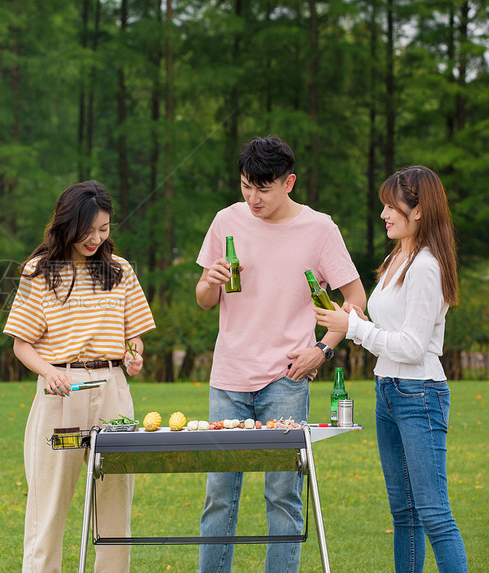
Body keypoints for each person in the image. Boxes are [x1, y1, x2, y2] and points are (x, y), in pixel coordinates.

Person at [194, 135, 366, 573]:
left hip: (286, 380)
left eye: (263, 188)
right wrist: (210, 281)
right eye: (245, 186)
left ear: (289, 182)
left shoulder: (320, 228)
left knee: (283, 495)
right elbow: (204, 300)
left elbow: (356, 300)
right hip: (228, 376)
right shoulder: (225, 220)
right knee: (219, 495)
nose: (252, 198)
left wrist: (322, 350)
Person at [315, 166, 468, 572]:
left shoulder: (426, 267)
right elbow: (389, 331)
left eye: (391, 206)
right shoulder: (398, 257)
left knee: (434, 514)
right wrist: (349, 320)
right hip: (389, 391)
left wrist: (355, 328)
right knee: (404, 514)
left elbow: (414, 346)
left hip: (420, 394)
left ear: (418, 211)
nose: (383, 214)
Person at [3, 180, 156, 573]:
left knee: (114, 505)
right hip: (60, 395)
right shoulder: (40, 272)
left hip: (112, 396)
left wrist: (134, 356)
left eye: (104, 229)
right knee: (48, 506)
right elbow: (22, 346)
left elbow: (134, 338)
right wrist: (50, 371)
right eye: (88, 230)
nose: (96, 238)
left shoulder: (120, 270)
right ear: (67, 224)